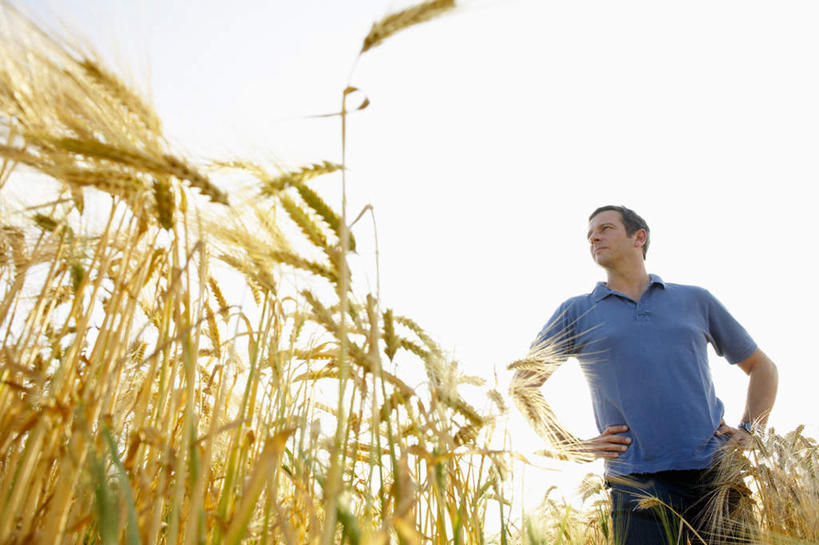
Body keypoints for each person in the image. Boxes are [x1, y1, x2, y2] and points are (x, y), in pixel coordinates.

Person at [511, 205, 778, 545]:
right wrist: (574, 447)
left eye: (605, 228)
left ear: (639, 237)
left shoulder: (696, 299)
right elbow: (523, 385)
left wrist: (750, 430)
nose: (594, 236)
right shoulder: (576, 311)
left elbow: (763, 367)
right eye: (590, 233)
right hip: (635, 485)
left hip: (717, 476)